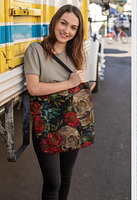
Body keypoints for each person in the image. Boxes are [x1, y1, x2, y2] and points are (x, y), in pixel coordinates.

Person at [24, 5, 86, 200]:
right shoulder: (36, 50)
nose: (67, 31)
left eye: (73, 27)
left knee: (66, 177)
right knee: (53, 181)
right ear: (55, 22)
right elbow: (33, 88)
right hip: (46, 124)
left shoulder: (74, 54)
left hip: (71, 122)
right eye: (64, 23)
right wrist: (68, 83)